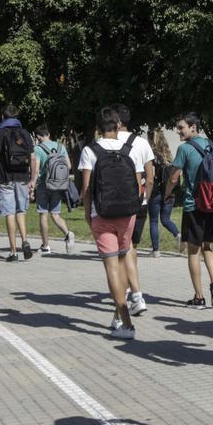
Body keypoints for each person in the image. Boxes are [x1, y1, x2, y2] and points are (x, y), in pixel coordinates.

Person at [79, 107, 144, 339]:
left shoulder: (90, 150)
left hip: (102, 214)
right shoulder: (131, 149)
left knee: (111, 267)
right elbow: (138, 184)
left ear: (98, 127)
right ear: (118, 126)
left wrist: (88, 214)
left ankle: (126, 324)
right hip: (128, 214)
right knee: (124, 256)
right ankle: (120, 315)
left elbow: (86, 189)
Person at [164, 112, 213, 309]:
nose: (178, 131)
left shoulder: (184, 149)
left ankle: (198, 297)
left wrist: (166, 194)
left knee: (193, 251)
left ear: (193, 128)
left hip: (194, 205)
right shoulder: (212, 145)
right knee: (207, 247)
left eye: (181, 128)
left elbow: (174, 178)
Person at [112, 104, 154, 319]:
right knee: (132, 246)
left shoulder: (109, 142)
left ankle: (132, 293)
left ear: (117, 122)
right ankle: (131, 288)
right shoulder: (142, 142)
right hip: (140, 201)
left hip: (116, 204)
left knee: (122, 250)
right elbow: (150, 173)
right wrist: (147, 196)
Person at [0, 105, 38, 262]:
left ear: (2, 117)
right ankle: (25, 240)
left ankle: (13, 252)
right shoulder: (24, 133)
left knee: (10, 213)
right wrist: (32, 179)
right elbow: (33, 158)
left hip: (5, 178)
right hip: (22, 177)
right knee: (21, 211)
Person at [34, 124, 75, 253]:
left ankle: (45, 246)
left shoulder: (38, 149)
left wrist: (32, 184)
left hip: (43, 185)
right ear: (49, 134)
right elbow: (68, 165)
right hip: (59, 185)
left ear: (38, 137)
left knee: (43, 214)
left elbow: (36, 169)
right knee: (56, 215)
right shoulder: (60, 146)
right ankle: (68, 233)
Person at [147, 131, 181, 257]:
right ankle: (178, 235)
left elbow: (151, 175)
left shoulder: (152, 155)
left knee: (154, 221)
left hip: (156, 192)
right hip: (169, 193)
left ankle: (155, 251)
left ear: (152, 140)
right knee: (166, 219)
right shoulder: (169, 155)